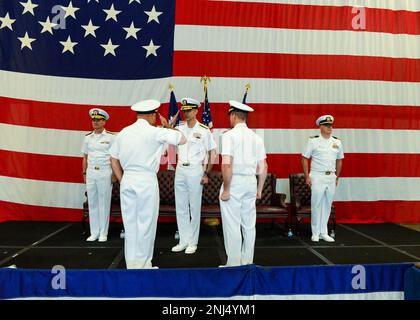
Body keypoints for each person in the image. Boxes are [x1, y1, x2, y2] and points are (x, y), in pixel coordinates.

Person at [109, 100, 186, 269]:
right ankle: (143, 266)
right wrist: (168, 127)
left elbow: (113, 158)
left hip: (128, 180)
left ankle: (132, 265)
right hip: (146, 180)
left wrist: (122, 179)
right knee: (146, 223)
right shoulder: (155, 132)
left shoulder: (123, 132)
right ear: (152, 115)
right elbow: (183, 139)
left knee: (130, 225)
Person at [219, 100, 268, 267]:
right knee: (249, 224)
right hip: (250, 182)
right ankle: (248, 262)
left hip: (235, 181)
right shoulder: (256, 138)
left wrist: (226, 189)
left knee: (232, 224)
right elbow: (263, 166)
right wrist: (260, 189)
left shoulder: (228, 136)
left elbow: (226, 164)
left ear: (233, 116)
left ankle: (233, 264)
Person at [171, 98, 217, 254]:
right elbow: (167, 132)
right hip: (180, 169)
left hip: (195, 170)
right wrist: (170, 123)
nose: (186, 112)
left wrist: (207, 173)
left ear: (196, 111)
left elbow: (212, 153)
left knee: (194, 207)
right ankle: (183, 240)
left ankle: (193, 241)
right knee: (181, 207)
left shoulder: (204, 130)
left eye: (189, 110)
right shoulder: (179, 128)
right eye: (184, 110)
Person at [301, 115, 344, 242]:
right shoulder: (313, 141)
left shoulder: (337, 142)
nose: (329, 128)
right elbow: (304, 158)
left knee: (327, 205)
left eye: (331, 125)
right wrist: (306, 175)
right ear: (320, 127)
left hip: (331, 176)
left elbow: (340, 160)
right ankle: (315, 232)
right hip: (317, 175)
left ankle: (323, 232)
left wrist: (337, 177)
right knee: (316, 204)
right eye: (326, 125)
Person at [82, 108, 115, 242]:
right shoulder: (87, 138)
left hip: (105, 171)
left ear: (104, 121)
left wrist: (114, 173)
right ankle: (94, 232)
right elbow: (84, 157)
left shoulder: (111, 137)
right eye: (93, 120)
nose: (95, 122)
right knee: (93, 202)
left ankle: (103, 233)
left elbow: (115, 157)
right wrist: (84, 173)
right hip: (91, 172)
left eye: (98, 120)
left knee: (104, 203)